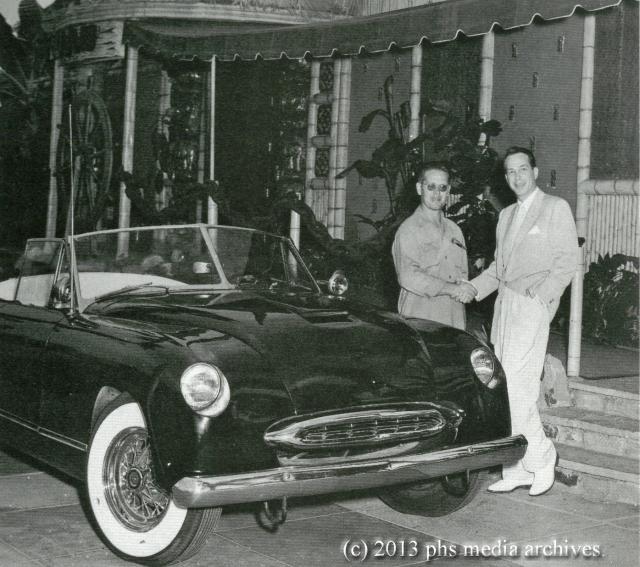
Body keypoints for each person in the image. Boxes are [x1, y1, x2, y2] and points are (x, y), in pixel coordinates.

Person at [456, 146, 578, 496]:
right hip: (505, 309)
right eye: (510, 171)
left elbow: (568, 260)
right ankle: (515, 467)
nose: (517, 177)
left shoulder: (555, 207)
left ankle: (542, 457)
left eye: (523, 169)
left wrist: (541, 296)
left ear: (535, 172)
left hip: (531, 307)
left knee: (519, 390)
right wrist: (473, 287)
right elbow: (500, 268)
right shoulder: (506, 215)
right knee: (505, 387)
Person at [392, 163, 468, 330]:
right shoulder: (409, 229)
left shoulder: (455, 231)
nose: (437, 194)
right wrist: (451, 289)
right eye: (431, 187)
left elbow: (463, 275)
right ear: (420, 189)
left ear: (448, 190)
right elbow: (408, 276)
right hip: (421, 317)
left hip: (453, 317)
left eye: (442, 188)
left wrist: (467, 289)